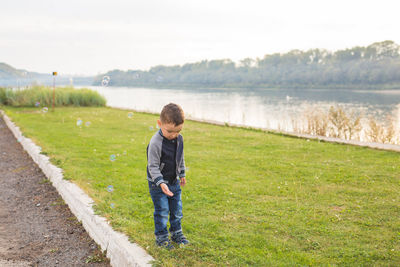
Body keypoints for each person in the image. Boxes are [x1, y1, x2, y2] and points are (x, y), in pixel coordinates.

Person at [146, 103, 189, 249]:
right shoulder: (155, 143)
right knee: (163, 211)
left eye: (178, 131)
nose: (173, 135)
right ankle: (162, 238)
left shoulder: (179, 139)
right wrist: (160, 183)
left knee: (176, 209)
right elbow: (152, 166)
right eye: (170, 131)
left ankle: (177, 233)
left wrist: (181, 173)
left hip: (173, 181)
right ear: (159, 124)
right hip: (157, 183)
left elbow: (180, 157)